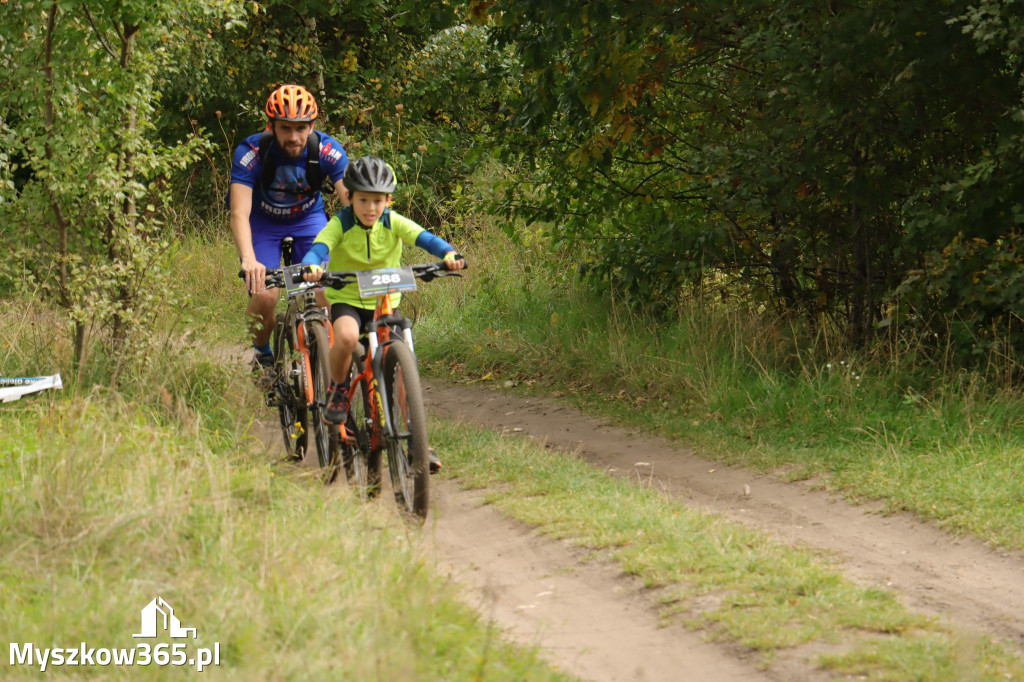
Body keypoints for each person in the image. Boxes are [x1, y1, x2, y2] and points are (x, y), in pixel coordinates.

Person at [300, 156, 465, 472]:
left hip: (384, 301)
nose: (370, 208)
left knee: (403, 367)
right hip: (347, 298)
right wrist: (311, 264)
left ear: (388, 200)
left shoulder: (393, 221)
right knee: (346, 337)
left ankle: (418, 441)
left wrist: (448, 253)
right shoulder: (342, 223)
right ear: (350, 196)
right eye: (363, 200)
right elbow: (321, 246)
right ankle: (336, 391)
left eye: (377, 201)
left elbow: (423, 237)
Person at [229, 84, 349, 377]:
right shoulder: (251, 152)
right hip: (263, 224)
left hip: (309, 221)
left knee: (323, 292)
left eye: (301, 128)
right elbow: (239, 212)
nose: (294, 137)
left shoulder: (328, 150)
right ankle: (262, 354)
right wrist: (248, 259)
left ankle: (320, 354)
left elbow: (351, 202)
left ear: (312, 125)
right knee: (265, 295)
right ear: (271, 126)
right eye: (285, 128)